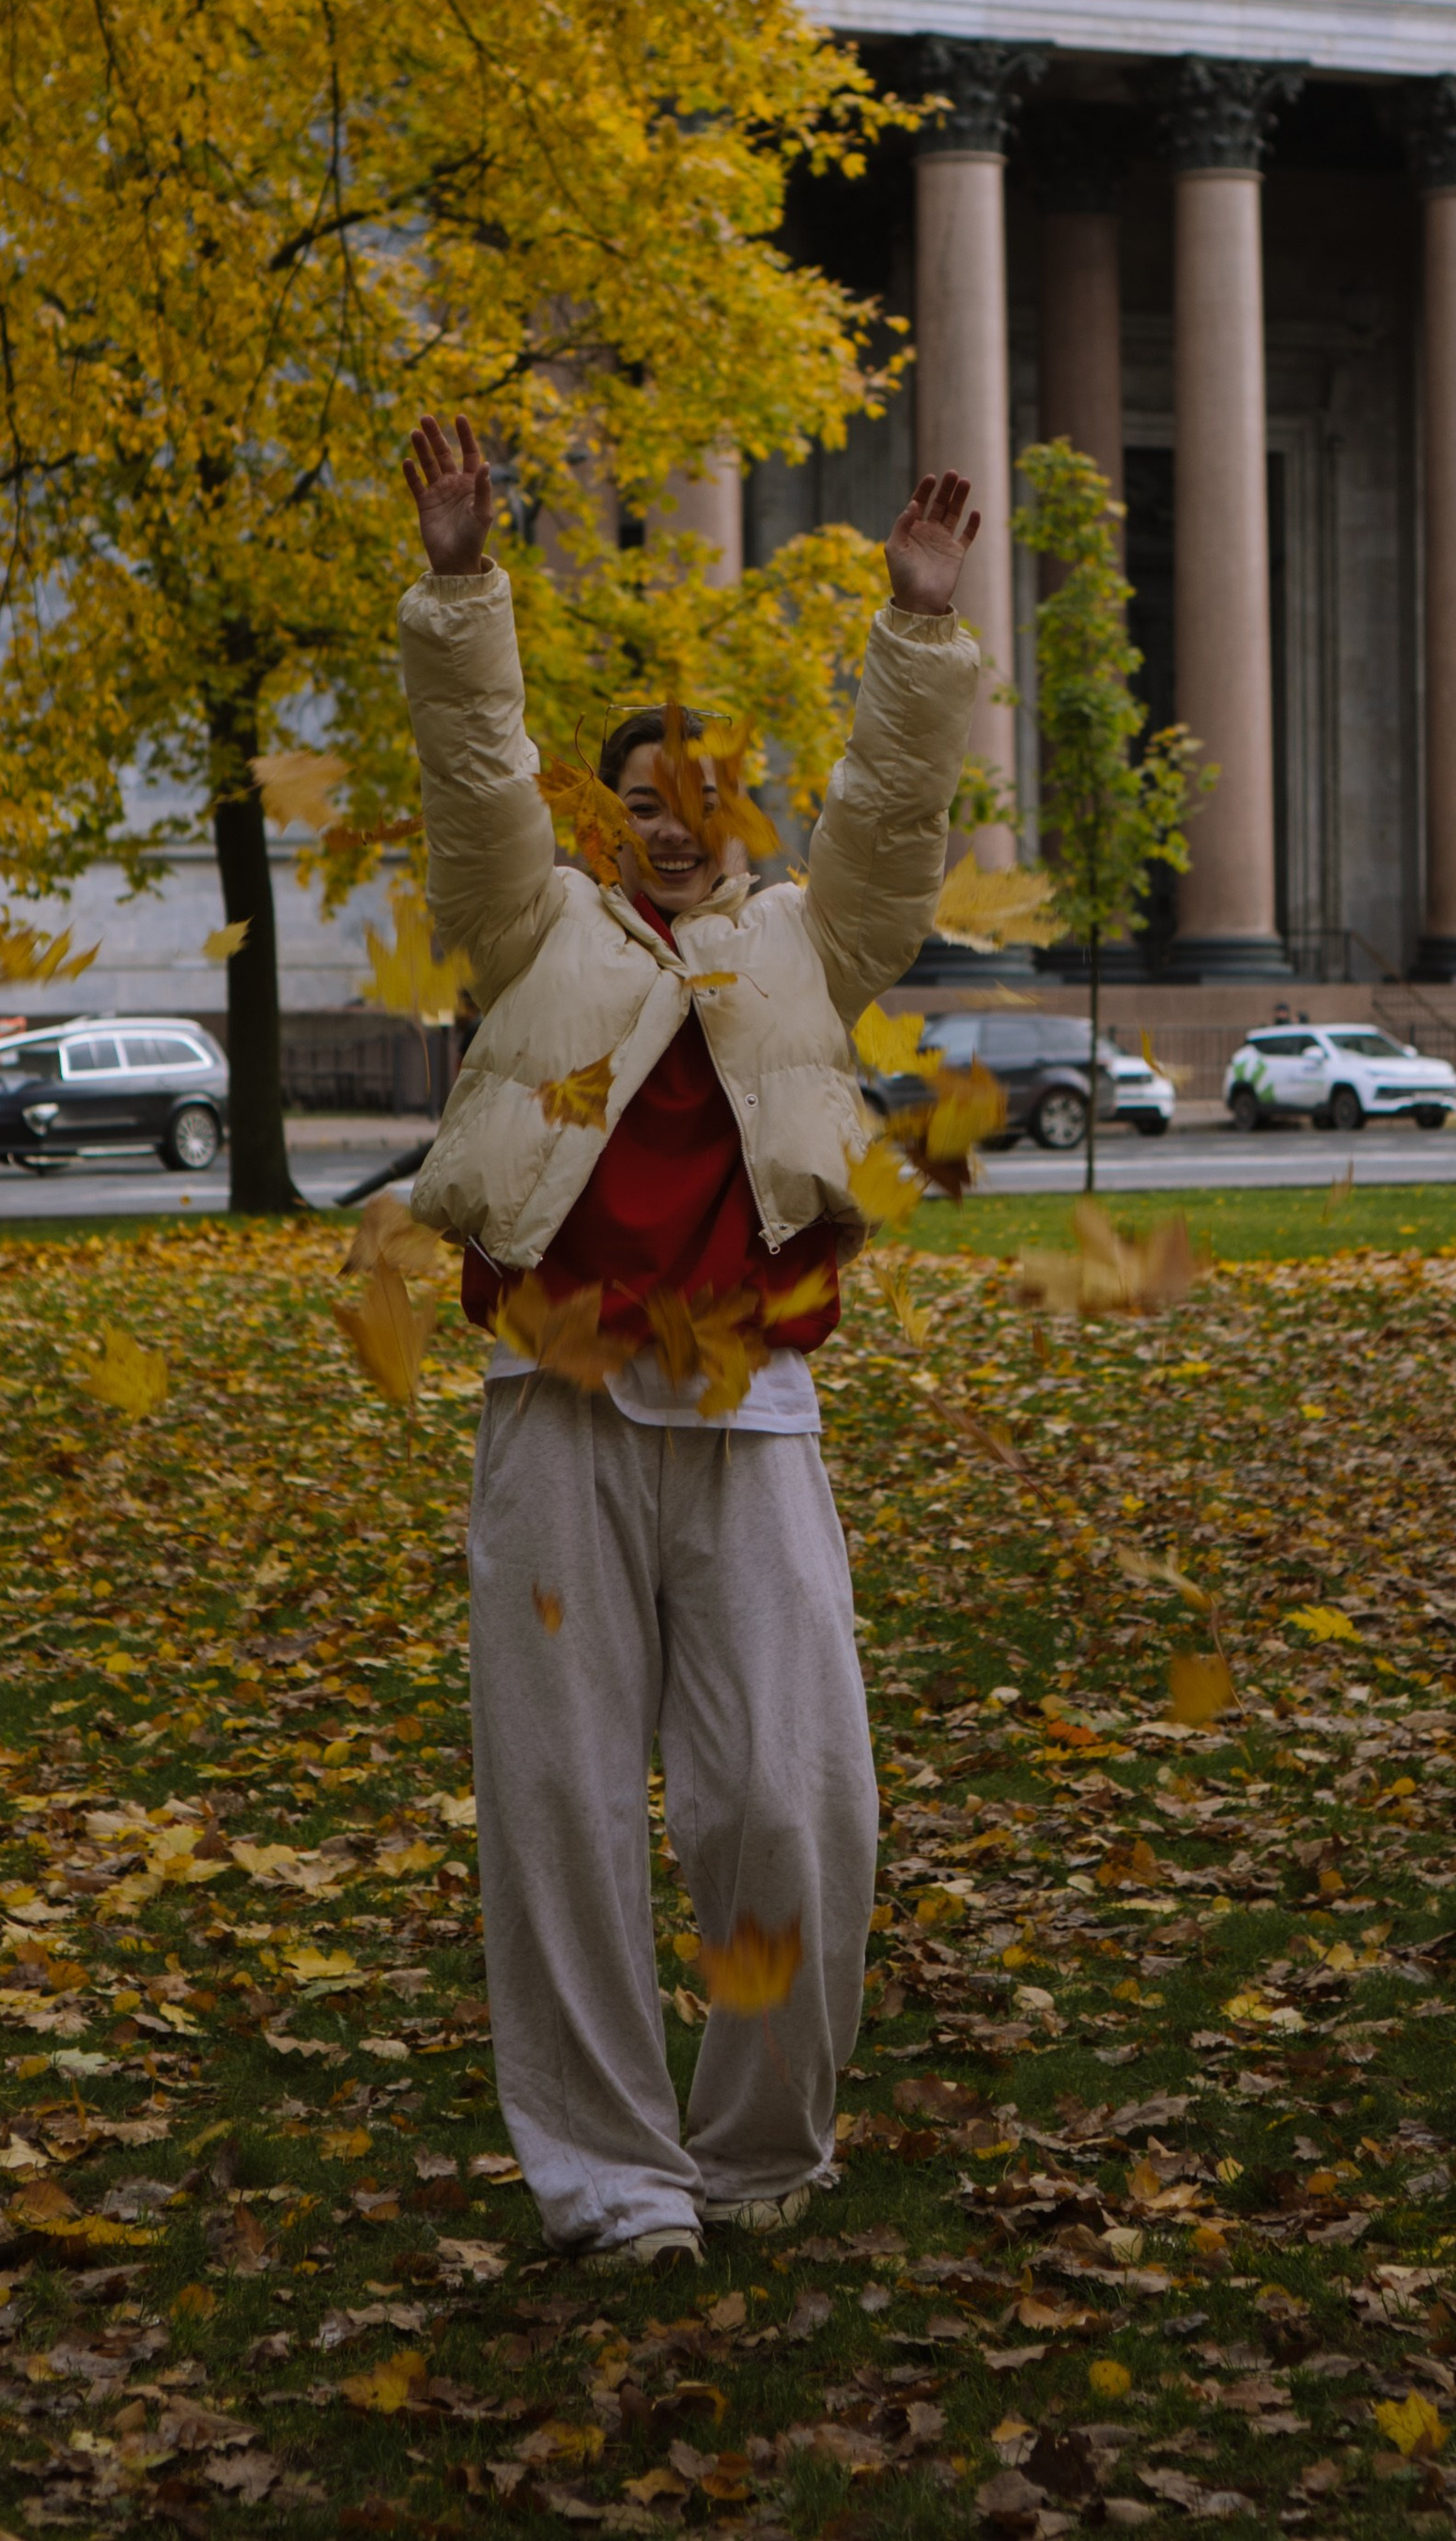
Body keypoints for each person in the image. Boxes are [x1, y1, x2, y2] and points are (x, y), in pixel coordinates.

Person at [395, 411, 983, 2274]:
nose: (674, 818)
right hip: (556, 1408)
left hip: (749, 1412)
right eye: (640, 797)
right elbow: (476, 777)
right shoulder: (534, 926)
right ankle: (608, 2182)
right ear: (606, 823)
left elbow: (892, 825)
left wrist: (915, 633)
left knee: (795, 1802)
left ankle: (752, 2148)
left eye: (702, 794)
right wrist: (463, 585)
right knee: (563, 1811)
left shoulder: (806, 944)